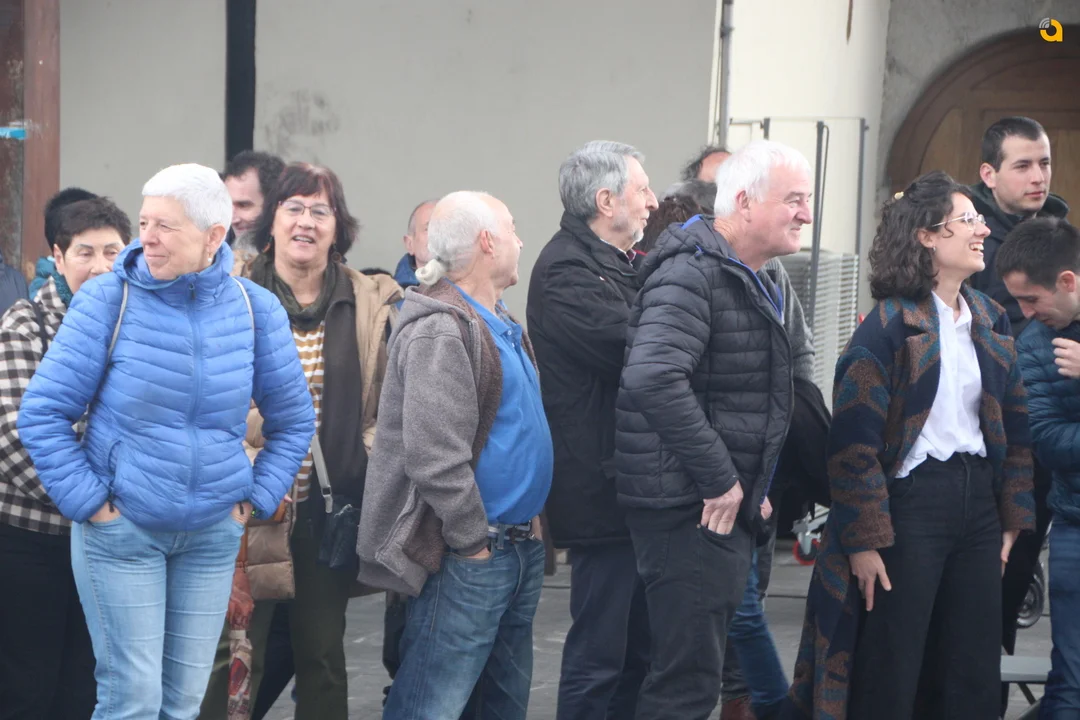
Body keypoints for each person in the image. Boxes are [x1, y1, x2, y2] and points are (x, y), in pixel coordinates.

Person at [16, 163, 316, 720]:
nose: (146, 238)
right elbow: (42, 412)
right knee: (132, 701)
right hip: (123, 534)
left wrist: (252, 499)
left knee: (181, 706)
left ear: (213, 236)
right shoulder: (108, 299)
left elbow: (295, 420)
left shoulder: (255, 308)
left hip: (211, 536)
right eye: (144, 222)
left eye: (164, 226)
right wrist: (91, 505)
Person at [786, 171, 1035, 719]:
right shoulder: (886, 328)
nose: (983, 231)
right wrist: (863, 542)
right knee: (893, 659)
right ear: (926, 236)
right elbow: (852, 447)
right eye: (967, 220)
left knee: (972, 662)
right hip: (910, 506)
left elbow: (1016, 425)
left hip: (978, 507)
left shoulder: (989, 317)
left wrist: (1013, 518)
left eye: (980, 220)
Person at [199, 162, 402, 720]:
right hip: (244, 506)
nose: (305, 222)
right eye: (293, 208)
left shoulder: (366, 300)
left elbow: (385, 403)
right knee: (234, 655)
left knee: (322, 657)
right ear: (271, 222)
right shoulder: (232, 292)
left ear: (339, 228)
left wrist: (363, 456)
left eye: (320, 210)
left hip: (324, 511)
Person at [615, 140, 810, 720]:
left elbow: (742, 395)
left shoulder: (749, 273)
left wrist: (756, 481)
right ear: (744, 202)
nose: (806, 214)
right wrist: (722, 479)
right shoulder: (692, 272)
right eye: (793, 200)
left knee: (695, 678)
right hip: (689, 510)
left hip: (712, 509)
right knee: (686, 687)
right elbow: (652, 377)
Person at [358, 191, 552, 720]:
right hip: (472, 555)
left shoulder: (495, 319)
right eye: (512, 229)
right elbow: (434, 457)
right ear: (488, 241)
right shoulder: (443, 328)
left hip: (514, 546)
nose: (520, 241)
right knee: (430, 704)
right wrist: (473, 545)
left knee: (500, 706)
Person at [526, 140, 657, 720]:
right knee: (601, 654)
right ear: (606, 201)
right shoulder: (566, 269)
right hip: (602, 487)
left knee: (638, 652)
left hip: (632, 482)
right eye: (642, 189)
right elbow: (633, 349)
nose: (653, 201)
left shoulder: (621, 262)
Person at [0, 197, 131, 720]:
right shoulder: (27, 322)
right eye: (85, 253)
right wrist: (94, 502)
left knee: (88, 688)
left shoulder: (136, 323)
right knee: (27, 688)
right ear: (57, 256)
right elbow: (14, 437)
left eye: (112, 252)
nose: (100, 266)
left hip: (109, 541)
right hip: (33, 539)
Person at [966, 117, 1070, 692]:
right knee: (988, 589)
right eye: (1023, 165)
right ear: (989, 173)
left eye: (1044, 163)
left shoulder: (1059, 235)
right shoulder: (971, 246)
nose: (1038, 177)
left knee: (1018, 577)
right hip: (994, 447)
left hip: (1051, 447)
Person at [997, 217, 1080, 716]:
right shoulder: (1032, 346)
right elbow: (1049, 443)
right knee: (1072, 682)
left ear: (1067, 281)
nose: (1025, 312)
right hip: (1074, 523)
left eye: (1031, 299)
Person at [27, 187, 99, 298]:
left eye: (111, 252)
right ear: (59, 257)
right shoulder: (43, 299)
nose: (101, 268)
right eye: (86, 254)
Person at [394, 199, 437, 296]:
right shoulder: (392, 296)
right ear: (410, 244)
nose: (439, 234)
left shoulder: (470, 291)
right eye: (428, 228)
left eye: (447, 227)